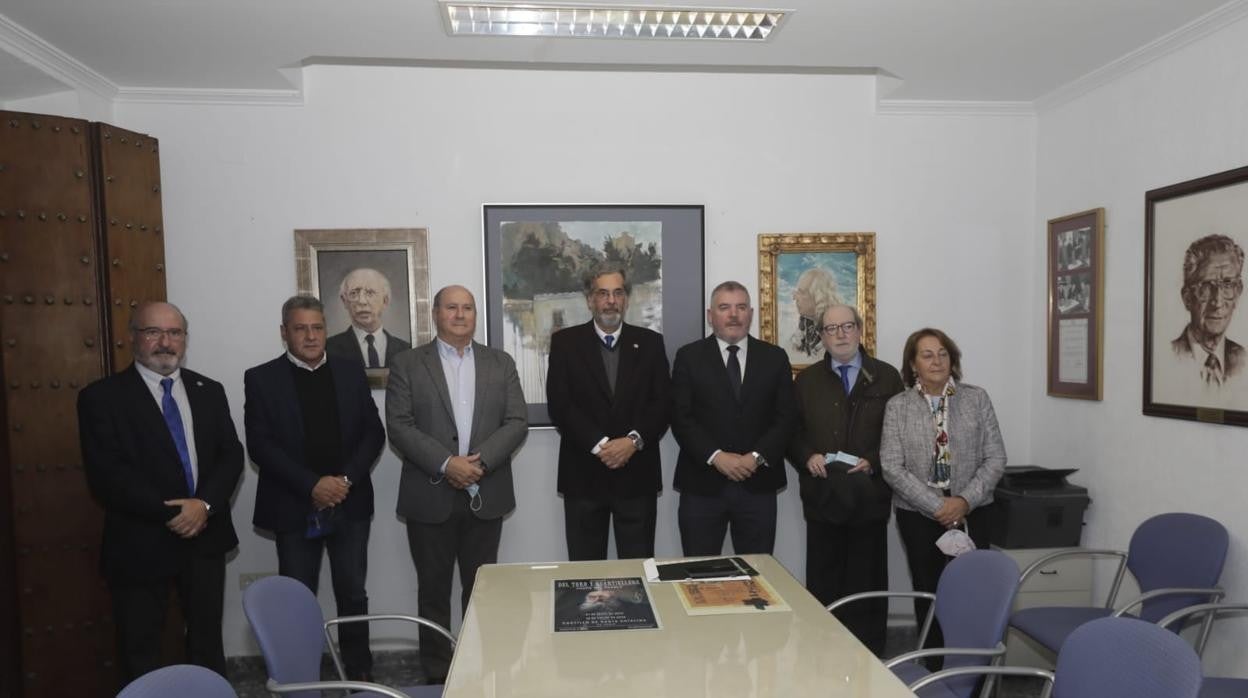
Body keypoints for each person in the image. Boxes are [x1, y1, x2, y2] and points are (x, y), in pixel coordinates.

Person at [77, 302, 244, 684]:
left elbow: (231, 455)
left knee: (206, 642)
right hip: (140, 541)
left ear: (185, 340)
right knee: (140, 647)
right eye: (154, 332)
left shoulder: (209, 390)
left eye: (175, 333)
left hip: (205, 537)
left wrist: (203, 506)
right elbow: (108, 475)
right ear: (133, 337)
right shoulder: (101, 397)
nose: (165, 342)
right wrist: (175, 513)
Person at [386, 285, 527, 683]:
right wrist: (448, 464)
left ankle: (478, 669)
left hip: (487, 492)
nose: (460, 314)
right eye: (452, 307)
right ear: (435, 314)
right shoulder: (408, 363)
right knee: (433, 593)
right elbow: (398, 425)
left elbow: (516, 421)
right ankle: (436, 677)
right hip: (429, 497)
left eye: (467, 308)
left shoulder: (500, 363)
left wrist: (475, 464)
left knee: (481, 592)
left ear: (475, 315)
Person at [243, 295, 385, 681]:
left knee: (353, 593)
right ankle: (299, 678)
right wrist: (312, 485)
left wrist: (343, 481)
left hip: (348, 503)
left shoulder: (350, 371)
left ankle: (360, 676)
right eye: (300, 328)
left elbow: (374, 433)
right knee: (297, 598)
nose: (310, 336)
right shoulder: (260, 378)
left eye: (317, 327)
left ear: (326, 330)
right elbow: (260, 445)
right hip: (294, 506)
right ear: (284, 332)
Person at [880, 327, 1006, 658]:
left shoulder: (976, 398)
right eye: (927, 354)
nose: (936, 361)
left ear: (953, 359)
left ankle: (973, 672)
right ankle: (933, 668)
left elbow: (995, 457)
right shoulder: (898, 406)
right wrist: (938, 506)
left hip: (974, 510)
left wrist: (963, 501)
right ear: (912, 364)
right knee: (930, 593)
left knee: (972, 593)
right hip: (919, 515)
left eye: (943, 353)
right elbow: (892, 466)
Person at [787, 304, 903, 655]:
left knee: (867, 585)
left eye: (847, 326)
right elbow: (791, 432)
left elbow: (900, 435)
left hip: (869, 498)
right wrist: (808, 455)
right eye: (831, 329)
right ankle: (824, 659)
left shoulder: (886, 376)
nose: (840, 334)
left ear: (859, 329)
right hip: (824, 499)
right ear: (821, 336)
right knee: (825, 585)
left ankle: (870, 660)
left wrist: (874, 461)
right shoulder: (806, 381)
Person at [546, 267, 671, 560]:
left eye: (617, 293)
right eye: (602, 293)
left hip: (637, 475)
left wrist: (632, 442)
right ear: (590, 300)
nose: (610, 300)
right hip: (583, 477)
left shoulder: (651, 343)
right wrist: (601, 445)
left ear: (626, 299)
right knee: (585, 573)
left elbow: (663, 402)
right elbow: (561, 405)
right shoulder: (565, 343)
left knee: (638, 571)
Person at [670, 281, 796, 556]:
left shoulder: (775, 357)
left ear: (751, 313)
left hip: (758, 484)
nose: (733, 315)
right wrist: (717, 457)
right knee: (698, 575)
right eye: (724, 307)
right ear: (710, 315)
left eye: (740, 307)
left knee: (757, 577)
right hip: (702, 486)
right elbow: (681, 417)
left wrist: (755, 456)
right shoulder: (689, 357)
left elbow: (786, 417)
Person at [1171, 234, 1245, 386]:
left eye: (1227, 285)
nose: (1217, 302)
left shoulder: (1243, 359)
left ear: (1237, 294)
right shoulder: (1168, 357)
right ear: (1187, 298)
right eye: (1205, 287)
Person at [326, 267, 412, 368]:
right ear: (344, 301)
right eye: (353, 293)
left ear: (385, 301)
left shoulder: (406, 350)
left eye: (370, 293)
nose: (362, 301)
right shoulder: (328, 349)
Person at [791, 267, 844, 357]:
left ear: (819, 296)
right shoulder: (805, 322)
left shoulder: (838, 331)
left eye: (802, 292)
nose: (794, 297)